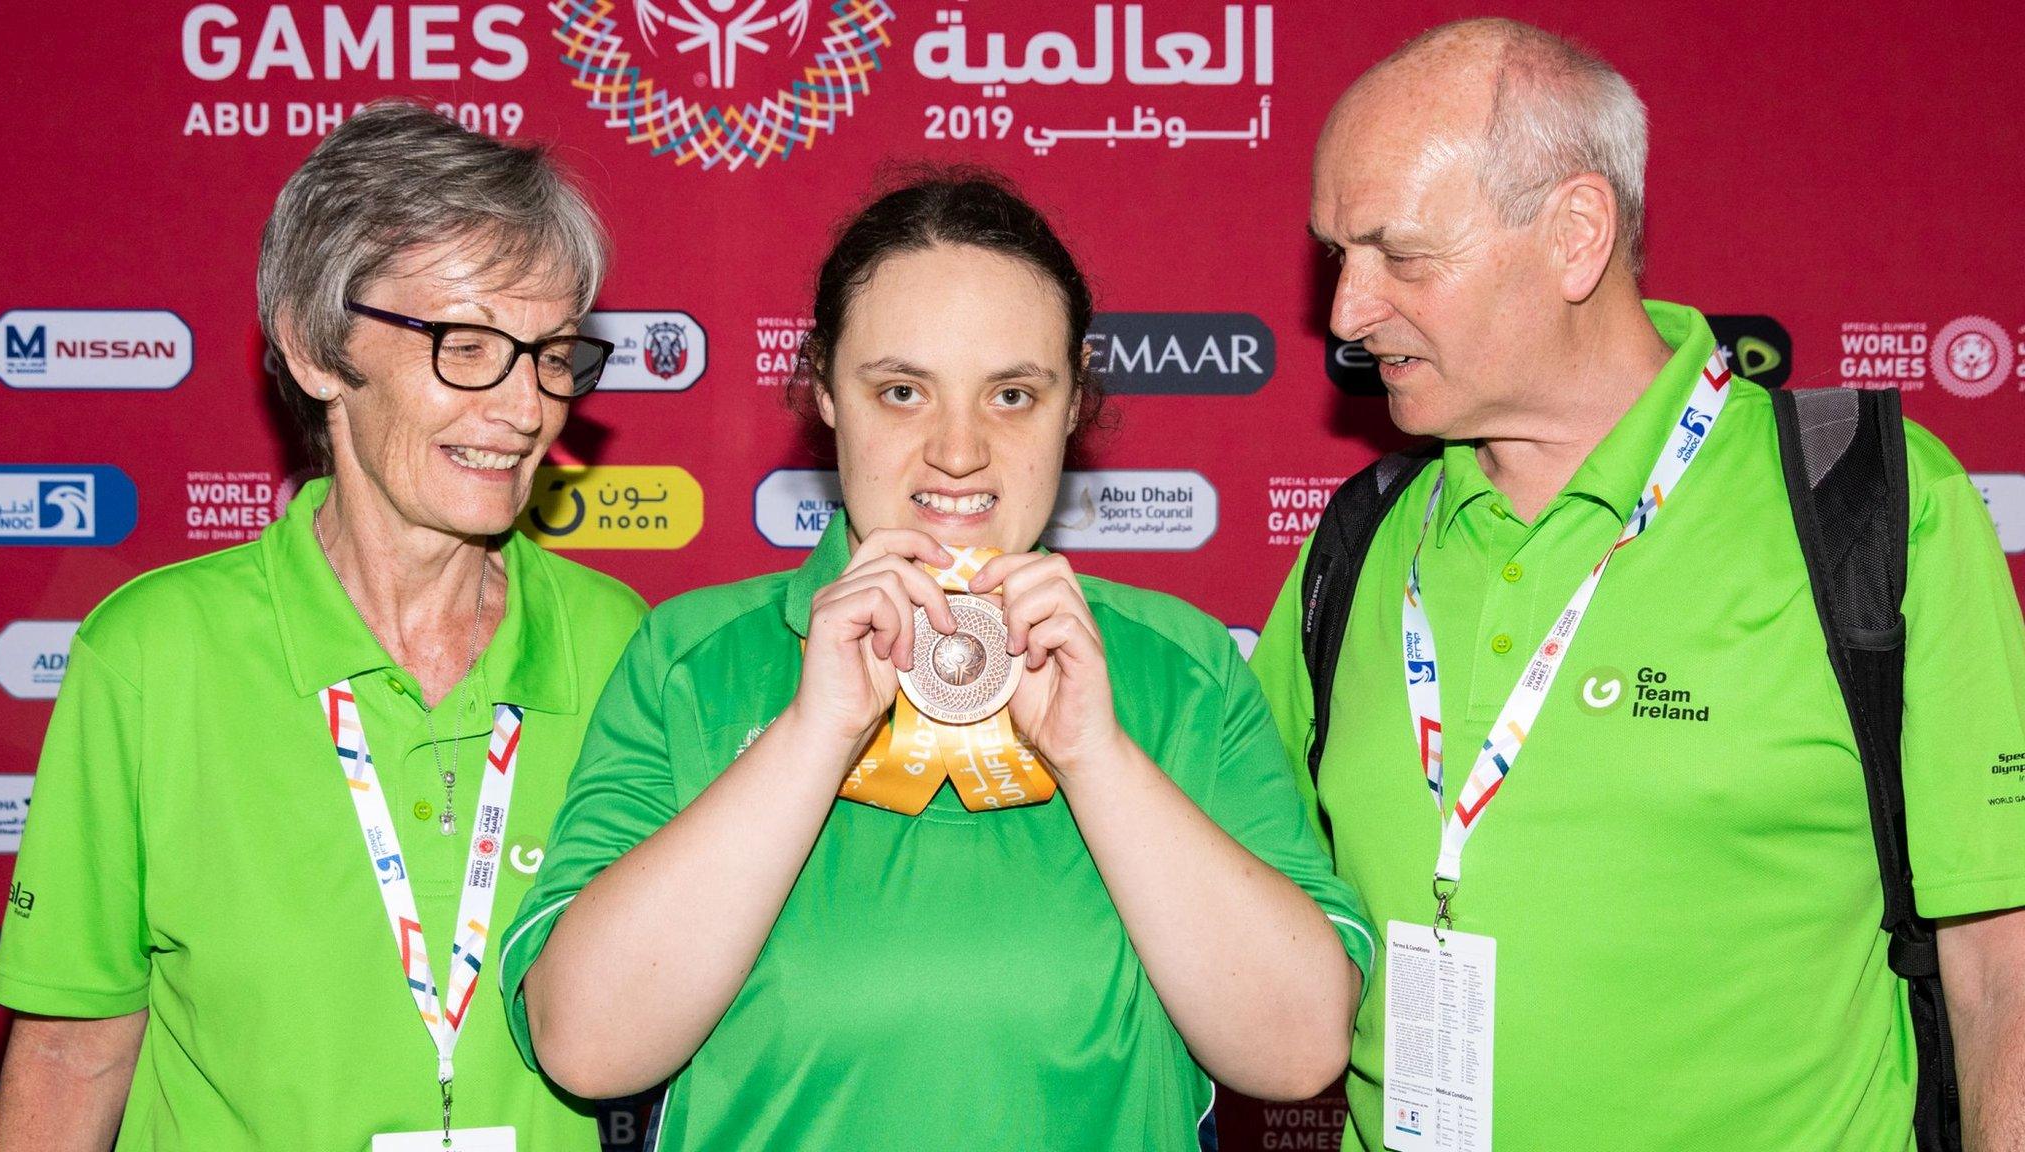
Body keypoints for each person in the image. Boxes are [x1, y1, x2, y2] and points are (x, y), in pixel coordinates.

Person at [1249, 18, 2025, 1152]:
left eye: (1399, 255)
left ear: (1573, 235)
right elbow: (1229, 878)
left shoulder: (1874, 505)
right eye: (1336, 255)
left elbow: (2000, 965)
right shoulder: (1359, 544)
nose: (1345, 315)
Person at [501, 173, 1375, 1150]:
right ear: (826, 390)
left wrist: (1099, 758)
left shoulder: (1184, 669)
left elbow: (1298, 1050)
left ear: (1073, 402)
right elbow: (585, 1044)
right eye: (902, 391)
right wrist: (810, 734)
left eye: (1011, 393)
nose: (957, 450)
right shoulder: (687, 658)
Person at [0, 102, 646, 1151]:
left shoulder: (623, 647)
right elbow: (71, 1053)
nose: (525, 408)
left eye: (551, 352)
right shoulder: (155, 656)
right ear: (314, 346)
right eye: (467, 345)